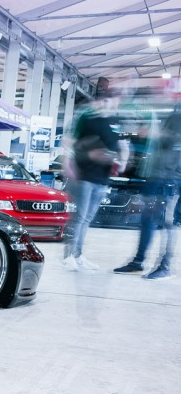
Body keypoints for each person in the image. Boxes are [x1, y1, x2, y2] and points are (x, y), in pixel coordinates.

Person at [113, 101, 181, 280]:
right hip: (157, 177)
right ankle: (138, 262)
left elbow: (174, 143)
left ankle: (165, 266)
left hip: (172, 180)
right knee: (147, 220)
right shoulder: (174, 114)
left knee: (168, 223)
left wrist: (156, 134)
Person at [61, 90, 125, 272]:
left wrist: (121, 160)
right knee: (79, 218)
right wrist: (68, 164)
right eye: (107, 101)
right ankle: (68, 257)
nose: (111, 104)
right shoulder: (86, 118)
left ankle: (78, 255)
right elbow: (68, 141)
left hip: (102, 178)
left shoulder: (114, 123)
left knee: (87, 218)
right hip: (84, 176)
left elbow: (119, 146)